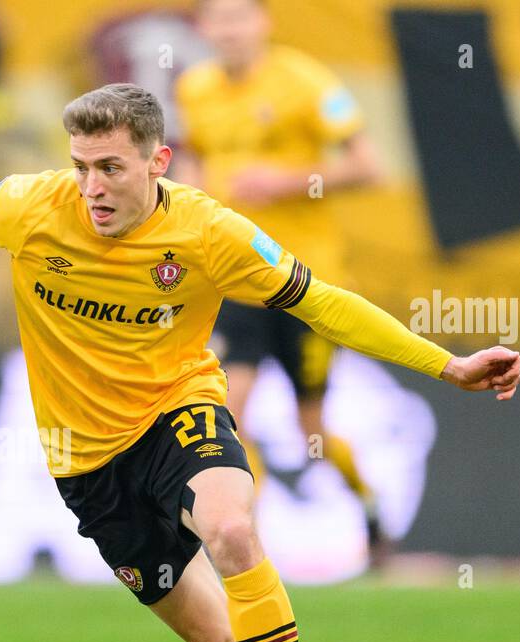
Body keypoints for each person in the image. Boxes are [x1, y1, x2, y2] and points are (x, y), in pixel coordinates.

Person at [0, 83, 520, 642]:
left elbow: (325, 304)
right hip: (87, 465)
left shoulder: (209, 232)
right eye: (82, 165)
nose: (92, 187)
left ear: (159, 161)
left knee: (231, 529)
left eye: (112, 168)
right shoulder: (33, 204)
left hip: (178, 413)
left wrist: (447, 365)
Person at [172, 0, 388, 552]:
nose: (230, 31)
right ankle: (251, 548)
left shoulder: (304, 82)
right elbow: (195, 161)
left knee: (310, 431)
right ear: (204, 29)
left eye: (240, 18)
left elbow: (369, 166)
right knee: (227, 416)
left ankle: (368, 507)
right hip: (238, 282)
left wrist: (288, 181)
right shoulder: (195, 88)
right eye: (219, 20)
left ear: (263, 22)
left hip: (303, 282)